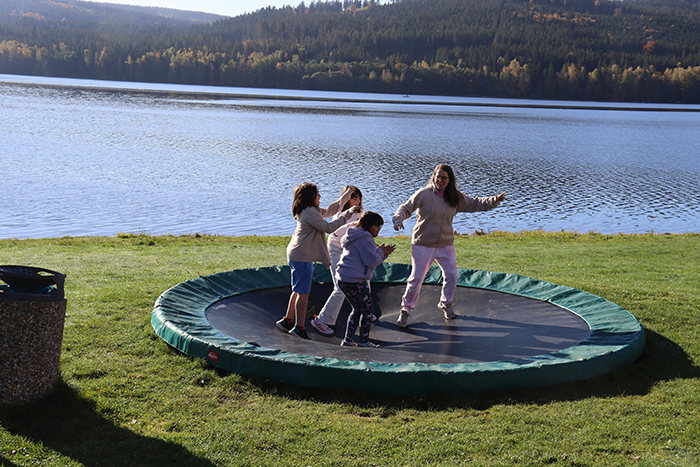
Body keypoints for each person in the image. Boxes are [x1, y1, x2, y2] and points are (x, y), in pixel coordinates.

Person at [392, 164, 506, 328]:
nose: (440, 180)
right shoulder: (424, 194)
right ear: (433, 177)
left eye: (444, 178)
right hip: (423, 244)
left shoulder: (455, 197)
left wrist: (494, 200)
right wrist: (398, 219)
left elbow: (475, 203)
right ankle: (405, 310)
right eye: (437, 177)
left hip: (445, 244)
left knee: (452, 275)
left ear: (450, 180)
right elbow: (406, 207)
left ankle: (446, 304)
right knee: (416, 279)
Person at [276, 183, 360, 340]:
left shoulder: (309, 210)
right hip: (302, 256)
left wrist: (347, 195)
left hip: (297, 254)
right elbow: (328, 228)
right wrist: (347, 215)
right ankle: (299, 327)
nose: (320, 197)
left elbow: (330, 210)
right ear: (310, 197)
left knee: (297, 290)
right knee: (303, 293)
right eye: (317, 194)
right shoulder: (310, 213)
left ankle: (287, 320)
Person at [311, 186, 365, 335]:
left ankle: (365, 311)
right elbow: (337, 233)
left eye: (359, 198)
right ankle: (321, 320)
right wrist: (354, 225)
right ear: (347, 199)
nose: (357, 201)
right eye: (354, 198)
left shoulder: (361, 214)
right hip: (335, 249)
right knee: (340, 287)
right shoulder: (340, 214)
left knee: (363, 279)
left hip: (350, 251)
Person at [336, 211, 396, 347]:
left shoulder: (353, 235)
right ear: (369, 225)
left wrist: (380, 251)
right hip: (355, 280)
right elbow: (371, 261)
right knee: (367, 311)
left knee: (357, 309)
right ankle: (363, 342)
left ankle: (347, 340)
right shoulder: (366, 238)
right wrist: (382, 252)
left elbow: (364, 256)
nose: (378, 230)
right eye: (377, 226)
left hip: (343, 278)